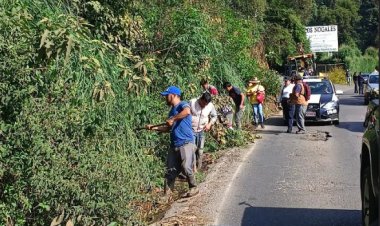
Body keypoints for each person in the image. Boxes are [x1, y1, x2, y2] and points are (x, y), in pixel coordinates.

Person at [145, 86, 198, 198]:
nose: (165, 98)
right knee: (170, 171)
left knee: (186, 167)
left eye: (166, 95)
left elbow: (187, 112)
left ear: (173, 95)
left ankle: (193, 187)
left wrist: (173, 119)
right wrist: (153, 128)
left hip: (186, 142)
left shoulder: (182, 105)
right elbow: (168, 128)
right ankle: (167, 196)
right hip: (174, 144)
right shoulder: (171, 112)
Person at [189, 92, 217, 169]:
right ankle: (193, 168)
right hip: (191, 130)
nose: (204, 106)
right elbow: (186, 113)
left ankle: (199, 166)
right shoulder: (192, 102)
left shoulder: (210, 105)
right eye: (203, 104)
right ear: (201, 99)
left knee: (200, 150)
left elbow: (214, 116)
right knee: (192, 149)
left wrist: (209, 124)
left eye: (206, 105)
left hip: (202, 130)